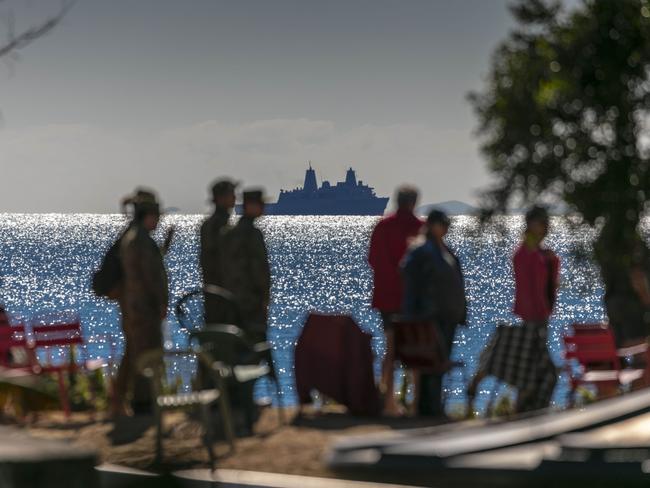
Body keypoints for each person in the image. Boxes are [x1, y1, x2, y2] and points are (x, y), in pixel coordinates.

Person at [113, 188, 173, 415]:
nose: (158, 221)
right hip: (143, 309)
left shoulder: (135, 238)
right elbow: (151, 277)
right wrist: (161, 303)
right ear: (148, 216)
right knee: (146, 354)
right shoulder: (140, 240)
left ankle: (124, 402)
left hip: (135, 308)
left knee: (134, 354)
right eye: (156, 217)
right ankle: (142, 402)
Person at [401, 209, 466, 417]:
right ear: (432, 225)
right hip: (432, 316)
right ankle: (428, 408)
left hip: (447, 317)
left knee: (439, 362)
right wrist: (417, 311)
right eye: (442, 224)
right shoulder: (422, 250)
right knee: (432, 363)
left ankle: (433, 406)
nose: (445, 228)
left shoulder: (442, 249)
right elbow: (409, 274)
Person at [368, 185, 422, 416]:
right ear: (414, 202)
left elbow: (372, 260)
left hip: (387, 300)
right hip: (413, 301)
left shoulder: (382, 226)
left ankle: (387, 402)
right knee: (418, 352)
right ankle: (416, 403)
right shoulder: (421, 228)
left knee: (390, 350)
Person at [219, 189, 271, 343]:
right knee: (256, 343)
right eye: (260, 204)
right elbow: (259, 270)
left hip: (231, 299)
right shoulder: (253, 235)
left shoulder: (228, 233)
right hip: (252, 301)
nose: (263, 208)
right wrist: (264, 298)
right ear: (250, 206)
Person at [200, 178, 237, 324]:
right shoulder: (220, 226)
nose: (235, 198)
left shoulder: (211, 224)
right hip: (222, 294)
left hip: (215, 293)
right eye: (231, 194)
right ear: (221, 198)